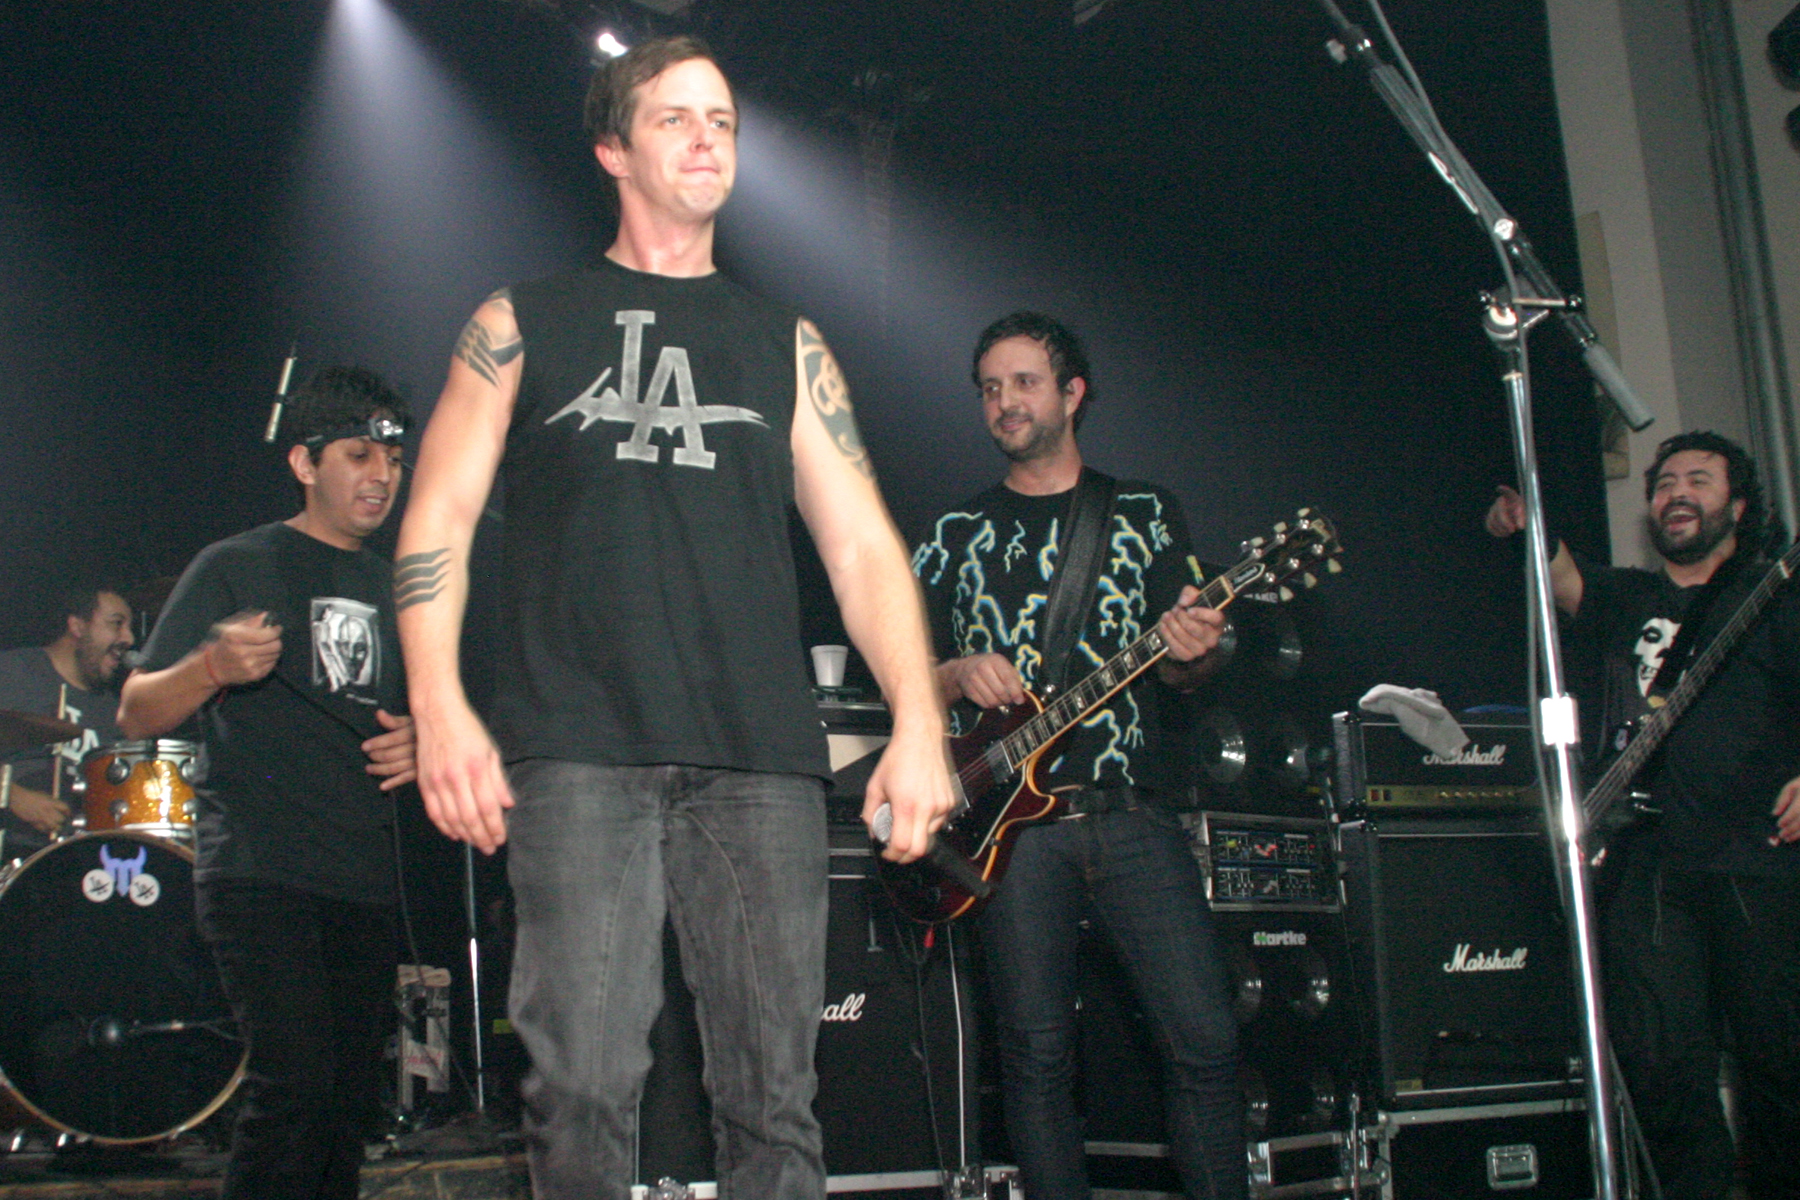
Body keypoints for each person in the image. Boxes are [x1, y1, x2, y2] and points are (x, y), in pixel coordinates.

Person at [393, 35, 954, 1200]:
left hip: (758, 758)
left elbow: (861, 544)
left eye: (724, 122)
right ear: (614, 149)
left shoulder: (785, 342)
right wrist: (440, 706)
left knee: (775, 1101)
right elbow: (437, 513)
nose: (708, 140)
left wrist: (918, 723)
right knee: (584, 1092)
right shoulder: (521, 320)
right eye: (676, 119)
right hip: (577, 749)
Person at [913, 311, 1244, 1200]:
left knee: (1207, 1041)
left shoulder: (1142, 512)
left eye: (1024, 382)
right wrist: (954, 673)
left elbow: (1190, 667)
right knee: (1035, 1058)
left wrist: (1198, 647)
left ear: (1072, 393)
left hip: (1127, 812)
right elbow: (897, 678)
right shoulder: (954, 531)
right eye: (990, 388)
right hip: (1009, 839)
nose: (1004, 402)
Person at [118, 366, 418, 1200]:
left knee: (346, 1103)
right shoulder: (236, 563)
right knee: (295, 1088)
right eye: (358, 456)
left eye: (393, 460)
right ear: (304, 462)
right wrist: (210, 666)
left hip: (363, 875)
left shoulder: (398, 585)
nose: (381, 476)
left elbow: (431, 716)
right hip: (261, 870)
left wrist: (423, 743)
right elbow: (136, 710)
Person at [1485, 431, 1800, 1200]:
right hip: (1649, 869)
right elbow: (1561, 578)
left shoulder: (1776, 595)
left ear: (1739, 505)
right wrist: (1526, 522)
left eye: (1699, 479)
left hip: (1758, 859)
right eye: (1664, 483)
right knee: (1665, 1071)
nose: (1677, 493)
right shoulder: (1630, 597)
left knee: (1780, 1066)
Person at [0, 585, 134, 856]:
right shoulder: (12, 672)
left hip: (77, 860)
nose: (129, 638)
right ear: (77, 626)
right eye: (116, 623)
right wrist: (12, 794)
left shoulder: (116, 712)